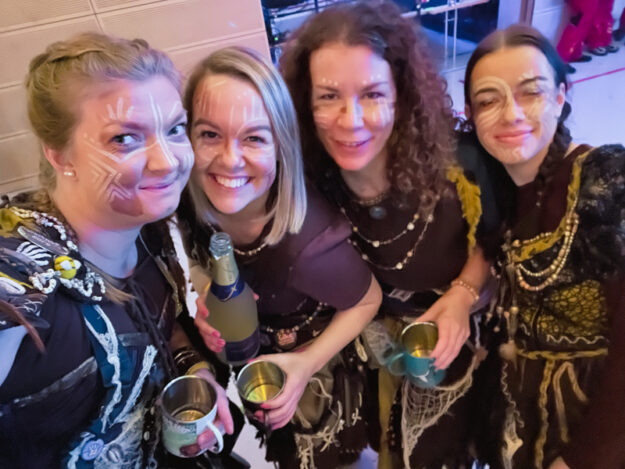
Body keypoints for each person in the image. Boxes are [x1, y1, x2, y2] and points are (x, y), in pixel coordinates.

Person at [0, 32, 242, 468]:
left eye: (175, 129)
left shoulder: (148, 228)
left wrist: (194, 369)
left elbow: (156, 320)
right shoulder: (20, 270)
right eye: (123, 139)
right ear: (58, 154)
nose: (168, 161)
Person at [279, 1, 497, 467]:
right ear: (304, 103)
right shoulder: (309, 184)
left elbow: (498, 237)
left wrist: (463, 294)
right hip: (374, 351)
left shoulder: (461, 166)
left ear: (402, 95)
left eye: (373, 94)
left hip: (462, 347)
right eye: (328, 96)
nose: (351, 120)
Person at [176, 46, 381, 469]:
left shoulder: (307, 248)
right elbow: (192, 259)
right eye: (210, 134)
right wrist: (206, 287)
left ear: (281, 147)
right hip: (259, 355)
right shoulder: (187, 199)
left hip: (315, 366)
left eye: (254, 137)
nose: (229, 159)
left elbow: (368, 299)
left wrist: (305, 364)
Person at [463, 23, 625, 469]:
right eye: (489, 101)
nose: (511, 114)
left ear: (560, 96)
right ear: (470, 114)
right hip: (519, 429)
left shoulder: (605, 184)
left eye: (531, 92)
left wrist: (581, 460)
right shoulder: (495, 189)